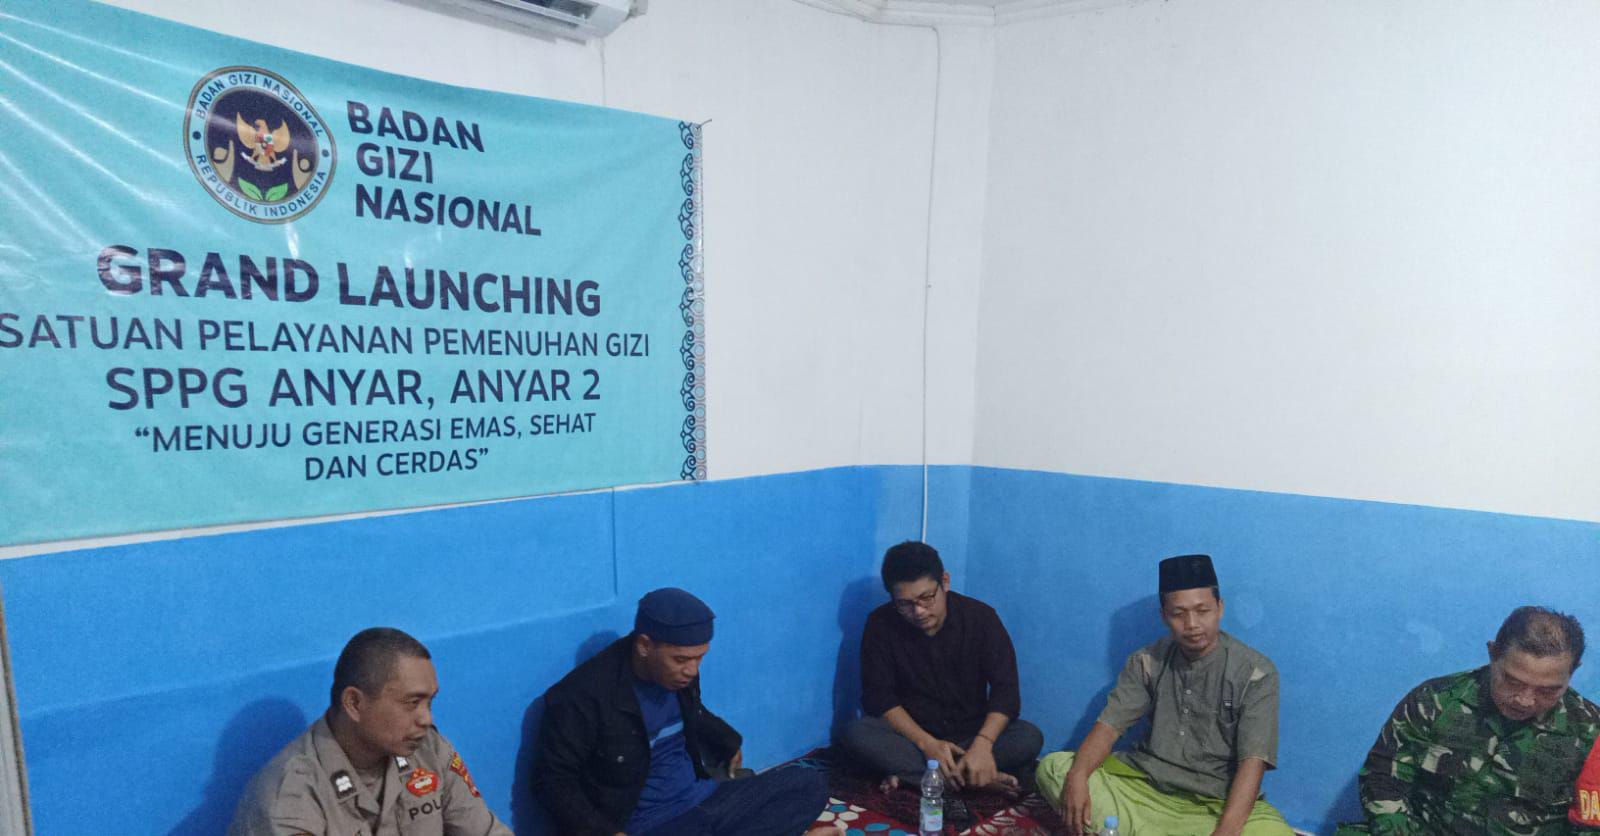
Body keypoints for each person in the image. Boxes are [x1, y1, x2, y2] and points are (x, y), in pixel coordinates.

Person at [533, 587, 830, 836]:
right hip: (655, 825)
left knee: (809, 784)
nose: (692, 670)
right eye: (681, 660)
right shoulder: (583, 696)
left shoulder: (679, 676)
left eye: (700, 658)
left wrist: (726, 741)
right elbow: (552, 781)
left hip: (708, 798)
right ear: (645, 645)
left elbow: (693, 713)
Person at [1037, 554, 1292, 836]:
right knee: (1054, 767)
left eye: (1202, 611)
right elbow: (1108, 728)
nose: (1192, 624)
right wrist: (1077, 777)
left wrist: (1226, 831)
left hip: (1214, 805)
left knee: (1274, 832)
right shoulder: (1147, 661)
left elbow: (1253, 761)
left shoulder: (1256, 673)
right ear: (1164, 616)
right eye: (1178, 613)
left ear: (1220, 608)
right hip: (1143, 790)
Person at [1334, 605, 1600, 835]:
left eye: (1547, 690)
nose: (1525, 700)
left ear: (1572, 672)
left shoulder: (1592, 734)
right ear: (1493, 654)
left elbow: (1591, 829)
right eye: (1512, 681)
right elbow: (1383, 780)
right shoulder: (1435, 701)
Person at [228, 627, 511, 836]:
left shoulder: (429, 751)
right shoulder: (291, 797)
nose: (426, 719)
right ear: (354, 703)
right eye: (412, 703)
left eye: (430, 702)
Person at [839, 540, 1043, 794]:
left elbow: (1006, 693)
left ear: (944, 582)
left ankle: (924, 776)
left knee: (1029, 736)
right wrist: (927, 744)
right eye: (904, 604)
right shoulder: (880, 625)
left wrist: (983, 744)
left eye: (926, 598)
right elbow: (879, 699)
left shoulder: (981, 619)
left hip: (971, 734)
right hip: (913, 738)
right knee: (856, 733)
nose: (918, 611)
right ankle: (976, 780)